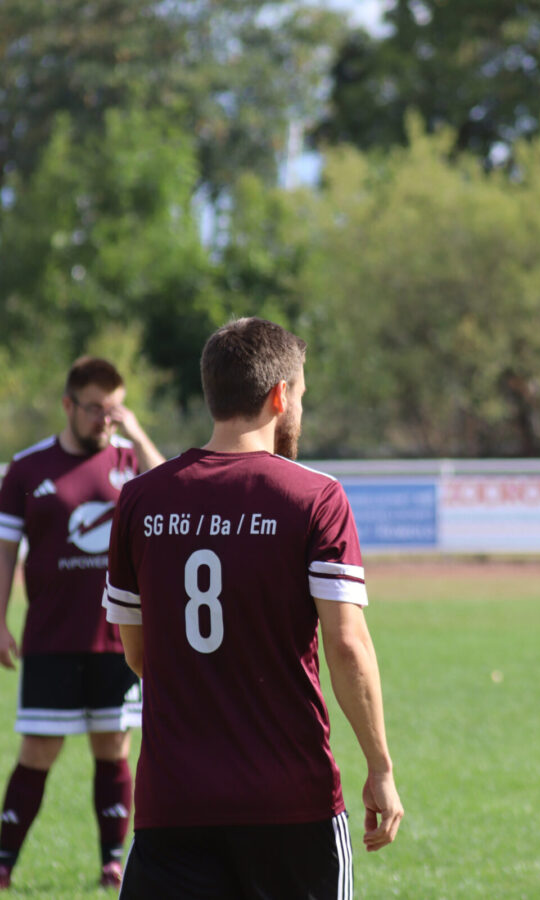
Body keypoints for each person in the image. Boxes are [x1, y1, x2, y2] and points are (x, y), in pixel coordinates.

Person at [103, 317, 404, 900]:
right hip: (291, 803)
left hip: (174, 804)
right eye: (302, 394)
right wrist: (380, 767)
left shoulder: (140, 498)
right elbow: (347, 644)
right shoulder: (315, 497)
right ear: (279, 396)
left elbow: (140, 656)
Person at [0, 356, 164, 891]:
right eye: (94, 408)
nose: (103, 419)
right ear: (68, 405)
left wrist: (134, 430)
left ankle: (112, 863)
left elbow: (171, 489)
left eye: (112, 409)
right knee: (38, 750)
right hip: (51, 636)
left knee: (113, 746)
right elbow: (5, 552)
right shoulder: (27, 469)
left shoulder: (130, 458)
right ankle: (3, 862)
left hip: (118, 637)